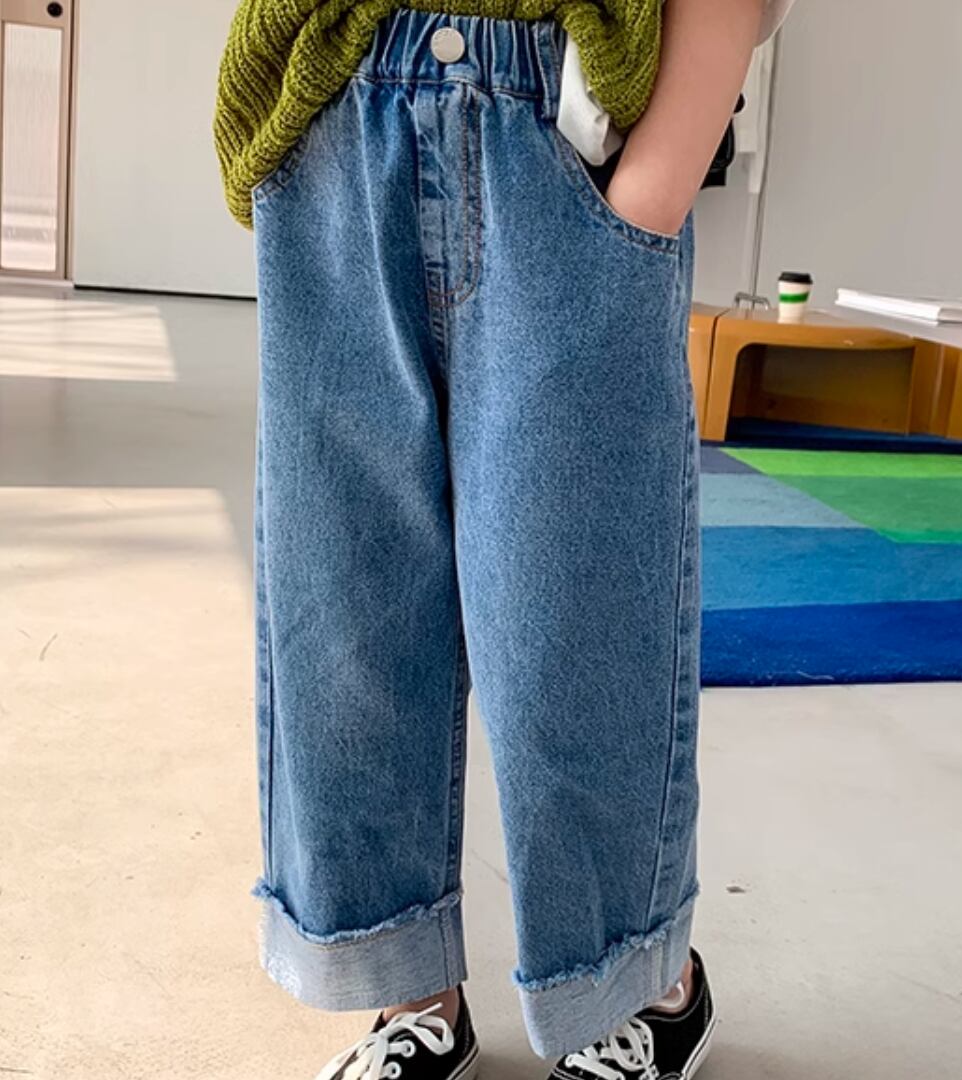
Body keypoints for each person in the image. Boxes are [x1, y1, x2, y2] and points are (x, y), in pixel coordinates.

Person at [214, 0, 793, 1076]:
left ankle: (636, 984)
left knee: (572, 615)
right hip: (342, 118)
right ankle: (407, 994)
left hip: (559, 137)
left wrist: (654, 189)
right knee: (345, 603)